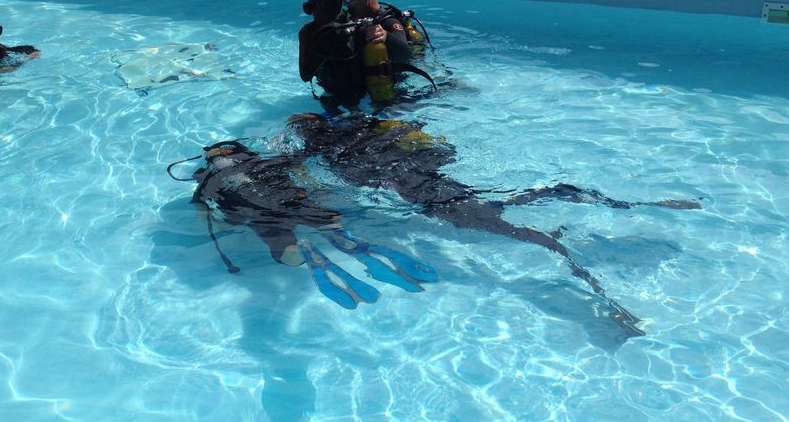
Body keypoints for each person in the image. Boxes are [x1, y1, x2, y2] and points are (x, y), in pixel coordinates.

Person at [289, 112, 703, 335]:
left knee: (544, 242)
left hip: (441, 204)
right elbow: (436, 147)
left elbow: (331, 191)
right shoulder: (367, 135)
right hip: (449, 186)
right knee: (547, 193)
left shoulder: (330, 160)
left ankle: (604, 299)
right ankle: (638, 204)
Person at [169, 140, 437, 309]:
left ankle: (300, 254)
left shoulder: (206, 178)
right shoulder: (257, 161)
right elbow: (297, 159)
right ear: (236, 152)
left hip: (255, 214)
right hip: (287, 198)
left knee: (280, 244)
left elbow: (200, 205)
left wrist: (214, 220)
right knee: (325, 216)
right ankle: (338, 233)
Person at [297, 0, 366, 109]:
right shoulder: (355, 25)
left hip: (332, 96)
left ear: (313, 7)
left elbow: (305, 75)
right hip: (363, 91)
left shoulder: (308, 32)